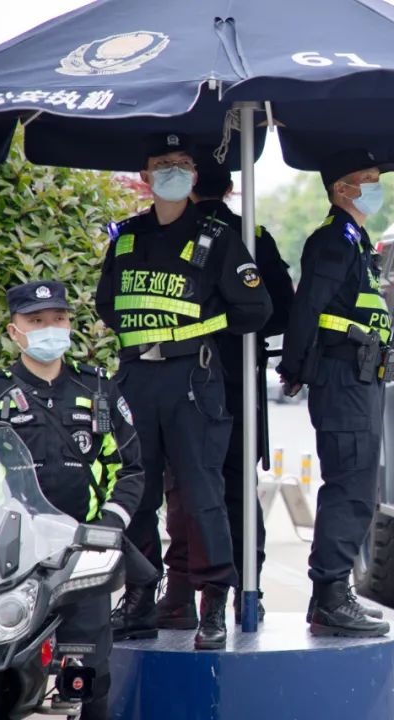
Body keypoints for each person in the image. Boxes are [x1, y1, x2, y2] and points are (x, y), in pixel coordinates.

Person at [96, 132, 273, 650]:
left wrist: (194, 330)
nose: (172, 171)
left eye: (182, 163)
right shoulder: (126, 238)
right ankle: (139, 597)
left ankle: (213, 601)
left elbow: (255, 308)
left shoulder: (217, 236)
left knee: (202, 493)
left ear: (194, 176)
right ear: (146, 176)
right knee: (137, 493)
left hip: (191, 379)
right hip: (136, 379)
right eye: (162, 163)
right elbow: (108, 303)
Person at [153, 153, 294, 630]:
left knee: (184, 488)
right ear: (231, 189)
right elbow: (282, 310)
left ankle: (180, 595)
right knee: (237, 490)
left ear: (191, 185)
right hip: (238, 380)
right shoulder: (253, 235)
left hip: (183, 377)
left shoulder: (174, 233)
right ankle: (246, 592)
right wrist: (237, 329)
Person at [0, 280, 144, 720]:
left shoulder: (97, 388)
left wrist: (107, 529)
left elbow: (130, 468)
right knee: (6, 675)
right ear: (14, 331)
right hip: (11, 558)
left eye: (57, 319)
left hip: (82, 557)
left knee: (88, 677)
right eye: (36, 321)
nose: (49, 328)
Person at [277, 149, 393, 637]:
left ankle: (331, 594)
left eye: (376, 178)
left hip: (359, 378)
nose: (375, 187)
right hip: (344, 378)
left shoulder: (355, 241)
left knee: (357, 487)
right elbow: (308, 306)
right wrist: (294, 366)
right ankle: (330, 596)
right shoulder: (333, 240)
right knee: (349, 488)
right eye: (366, 179)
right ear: (340, 189)